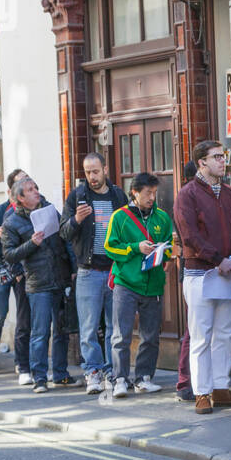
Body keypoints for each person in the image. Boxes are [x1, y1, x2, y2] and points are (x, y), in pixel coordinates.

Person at [175, 139, 231, 414]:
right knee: (201, 335)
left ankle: (221, 388)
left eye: (223, 156)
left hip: (227, 270)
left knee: (225, 333)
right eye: (216, 157)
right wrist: (218, 259)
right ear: (201, 162)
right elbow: (188, 234)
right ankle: (202, 392)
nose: (222, 161)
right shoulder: (187, 194)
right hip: (200, 272)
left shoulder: (229, 193)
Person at [60, 153, 129, 394]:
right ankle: (93, 372)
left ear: (105, 169)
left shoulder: (118, 195)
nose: (92, 177)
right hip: (88, 271)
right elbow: (64, 233)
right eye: (88, 172)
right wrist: (76, 220)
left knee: (114, 326)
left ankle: (112, 371)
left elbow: (128, 227)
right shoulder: (78, 196)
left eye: (96, 171)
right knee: (88, 327)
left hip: (114, 269)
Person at [0, 176, 75, 393]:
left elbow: (65, 238)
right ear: (21, 198)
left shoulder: (49, 209)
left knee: (61, 330)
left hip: (59, 277)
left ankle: (60, 374)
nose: (36, 192)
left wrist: (72, 270)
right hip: (37, 282)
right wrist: (31, 244)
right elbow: (9, 255)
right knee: (40, 332)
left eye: (36, 188)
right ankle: (39, 377)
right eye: (30, 190)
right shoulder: (11, 223)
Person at [105, 171, 175, 398]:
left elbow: (170, 247)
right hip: (126, 282)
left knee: (150, 334)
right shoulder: (120, 217)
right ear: (135, 192)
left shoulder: (163, 218)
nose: (152, 197)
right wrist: (136, 247)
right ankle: (119, 379)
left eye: (155, 193)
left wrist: (167, 253)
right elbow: (110, 247)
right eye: (148, 193)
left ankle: (144, 377)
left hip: (153, 283)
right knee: (121, 335)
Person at [0, 170, 32, 382]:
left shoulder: (30, 210)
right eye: (22, 183)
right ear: (11, 190)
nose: (27, 187)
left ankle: (21, 361)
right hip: (1, 267)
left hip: (22, 268)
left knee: (23, 316)